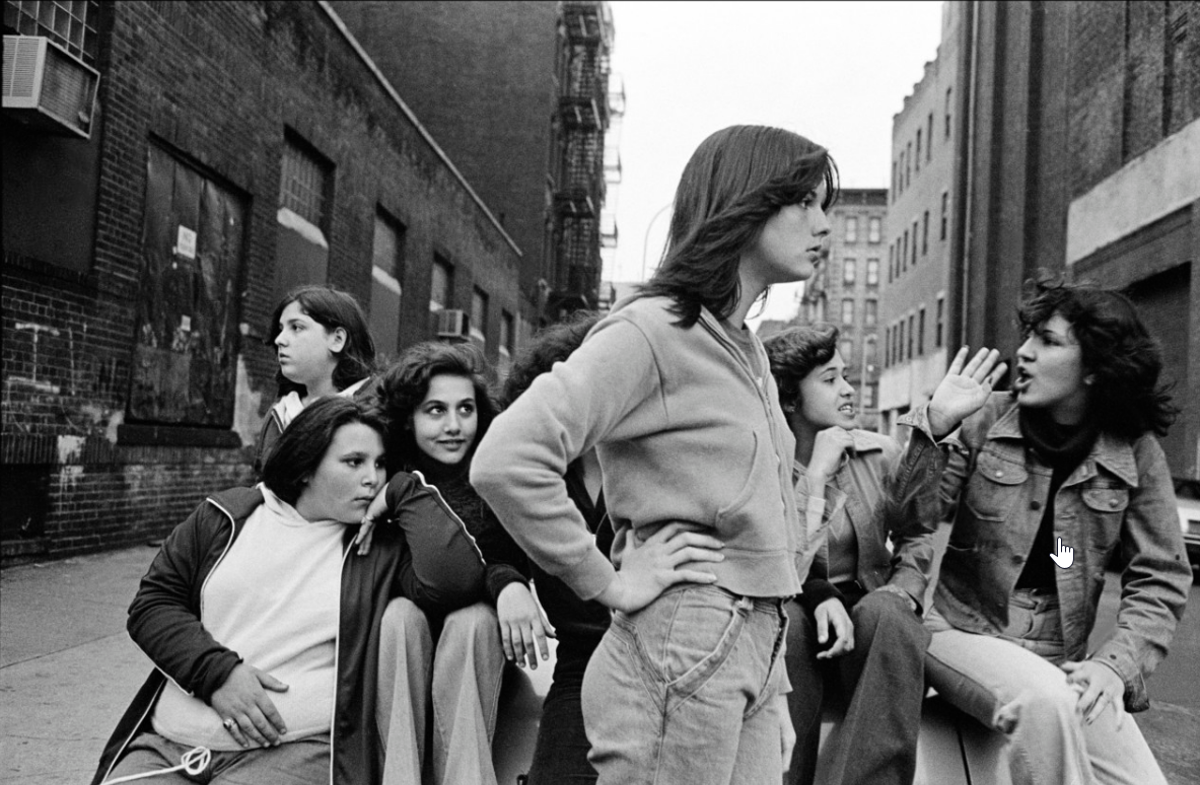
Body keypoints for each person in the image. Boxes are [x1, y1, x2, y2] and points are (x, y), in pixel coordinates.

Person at [472, 124, 838, 785]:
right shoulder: (654, 329)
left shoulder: (744, 346)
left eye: (825, 205)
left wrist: (772, 679)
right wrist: (607, 581)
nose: (824, 225)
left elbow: (764, 522)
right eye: (805, 203)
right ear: (746, 202)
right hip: (685, 641)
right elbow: (506, 457)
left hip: (752, 648)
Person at [93, 395, 463, 785]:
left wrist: (405, 491)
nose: (373, 478)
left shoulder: (376, 548)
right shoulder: (226, 517)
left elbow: (454, 583)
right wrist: (217, 674)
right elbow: (153, 604)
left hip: (293, 752)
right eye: (354, 462)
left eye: (380, 464)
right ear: (306, 466)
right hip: (168, 748)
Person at [914, 279, 1191, 785]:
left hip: (1060, 653)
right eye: (1028, 336)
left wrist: (1115, 666)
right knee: (1044, 702)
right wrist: (935, 427)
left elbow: (1159, 577)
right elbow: (911, 519)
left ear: (1094, 367)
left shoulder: (1134, 449)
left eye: (1047, 340)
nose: (1023, 351)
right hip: (961, 631)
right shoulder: (985, 418)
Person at [764, 324, 1005, 785]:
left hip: (869, 625)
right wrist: (815, 476)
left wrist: (904, 591)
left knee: (888, 613)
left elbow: (917, 531)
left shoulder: (875, 454)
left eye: (846, 376)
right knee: (787, 623)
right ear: (790, 400)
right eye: (830, 379)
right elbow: (773, 560)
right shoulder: (765, 466)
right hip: (794, 620)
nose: (849, 389)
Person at [366, 341, 541, 785]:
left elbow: (504, 556)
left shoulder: (493, 474)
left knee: (475, 622)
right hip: (403, 645)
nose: (454, 425)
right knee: (400, 616)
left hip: (473, 655)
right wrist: (404, 490)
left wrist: (510, 585)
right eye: (436, 411)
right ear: (409, 416)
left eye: (465, 409)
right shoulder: (386, 477)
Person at [256, 284, 377, 472]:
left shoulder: (378, 411)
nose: (279, 339)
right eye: (281, 329)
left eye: (296, 327)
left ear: (337, 340)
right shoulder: (279, 414)